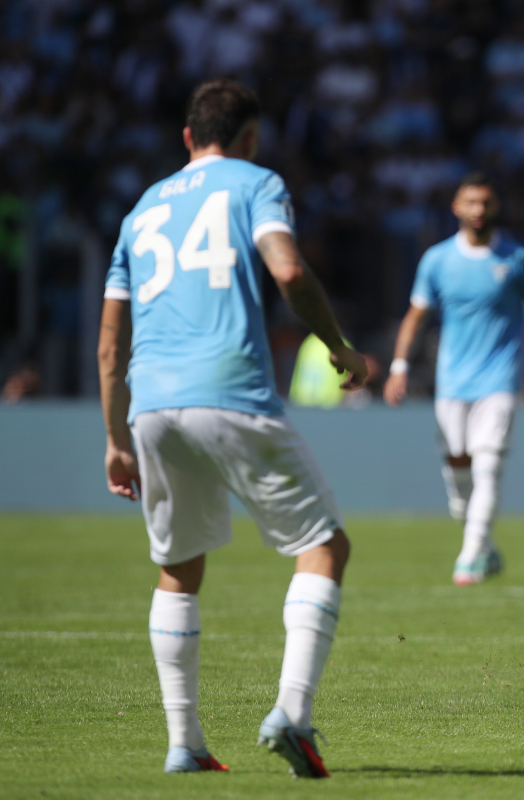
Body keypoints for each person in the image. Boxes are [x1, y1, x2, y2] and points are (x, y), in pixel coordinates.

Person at [98, 80, 369, 778]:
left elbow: (108, 342)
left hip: (150, 405)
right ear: (248, 137)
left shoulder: (139, 211)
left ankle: (184, 743)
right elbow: (286, 267)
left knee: (179, 570)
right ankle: (293, 715)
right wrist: (337, 344)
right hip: (229, 390)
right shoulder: (256, 181)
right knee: (323, 547)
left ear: (187, 137)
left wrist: (114, 439)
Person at [383, 173, 524, 584]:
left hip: (500, 379)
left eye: (486, 203)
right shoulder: (438, 260)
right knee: (458, 476)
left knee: (488, 466)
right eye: (471, 202)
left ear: (496, 207)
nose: (479, 211)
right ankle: (484, 546)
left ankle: (470, 557)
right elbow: (415, 317)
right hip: (452, 383)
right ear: (456, 207)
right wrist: (399, 367)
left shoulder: (517, 259)